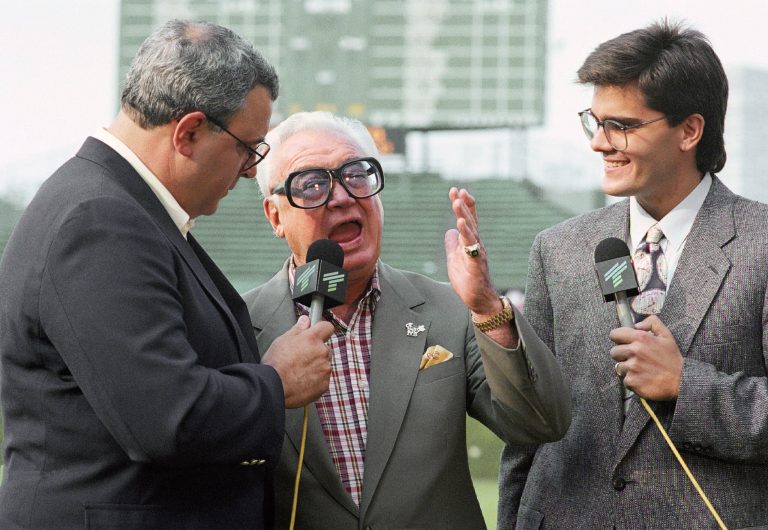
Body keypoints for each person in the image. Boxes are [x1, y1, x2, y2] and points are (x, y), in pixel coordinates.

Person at [0, 20, 334, 529]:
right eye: (248, 148)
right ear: (190, 131)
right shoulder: (100, 220)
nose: (250, 170)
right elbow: (166, 418)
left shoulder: (122, 207)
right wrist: (276, 383)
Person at [498, 20, 768, 529]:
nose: (599, 143)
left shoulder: (762, 243)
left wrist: (687, 385)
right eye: (594, 122)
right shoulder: (557, 249)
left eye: (621, 125)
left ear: (690, 130)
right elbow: (530, 433)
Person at [243, 111, 571, 529]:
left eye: (356, 175)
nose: (342, 196)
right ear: (275, 216)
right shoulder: (240, 327)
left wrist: (488, 306)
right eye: (311, 185)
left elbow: (543, 422)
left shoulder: (448, 310)